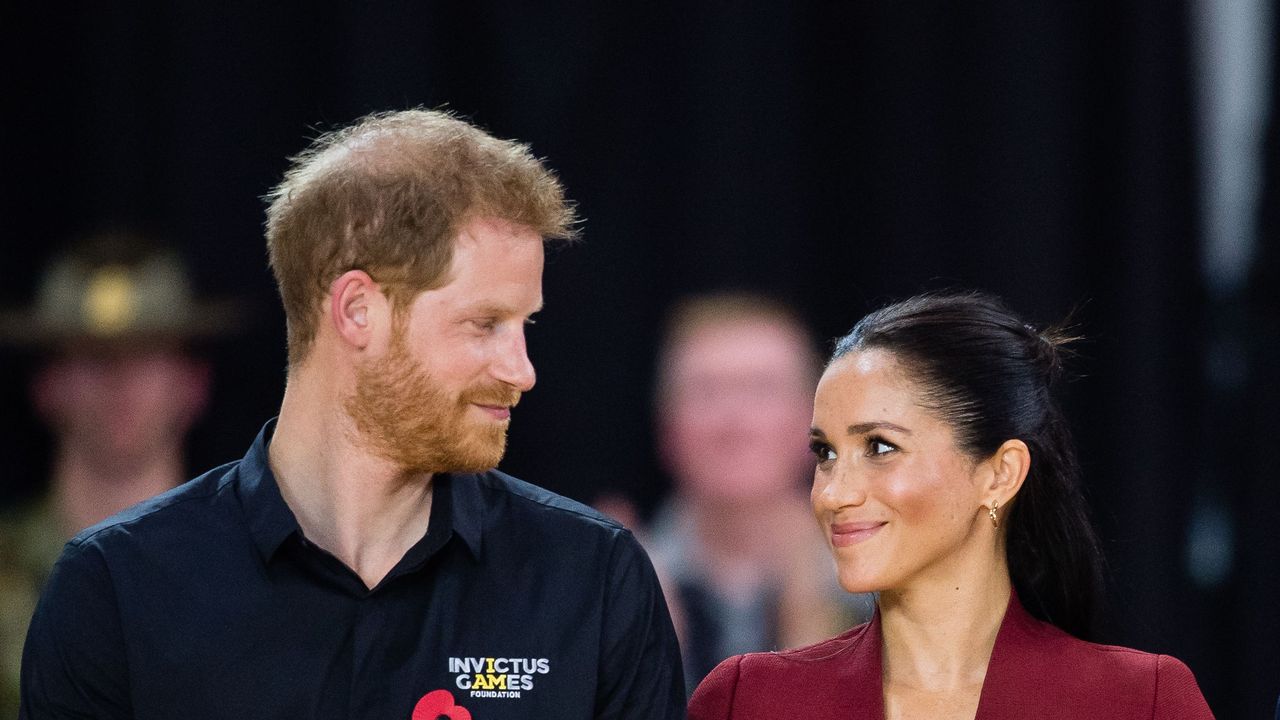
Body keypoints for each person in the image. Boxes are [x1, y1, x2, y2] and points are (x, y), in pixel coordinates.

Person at [20, 109, 685, 719]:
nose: (522, 369)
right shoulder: (116, 590)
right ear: (357, 311)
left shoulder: (592, 582)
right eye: (484, 324)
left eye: (525, 324)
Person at [688, 292, 1214, 719]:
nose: (832, 493)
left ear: (999, 474)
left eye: (879, 447)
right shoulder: (749, 699)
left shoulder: (1138, 701)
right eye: (825, 453)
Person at [0, 234, 226, 719]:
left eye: (146, 352)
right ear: (45, 385)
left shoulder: (257, 578)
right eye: (91, 356)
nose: (119, 378)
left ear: (194, 382)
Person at [642, 293, 871, 691]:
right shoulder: (616, 590)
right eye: (706, 392)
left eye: (761, 390)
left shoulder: (880, 587)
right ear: (667, 426)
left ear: (814, 422)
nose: (734, 422)